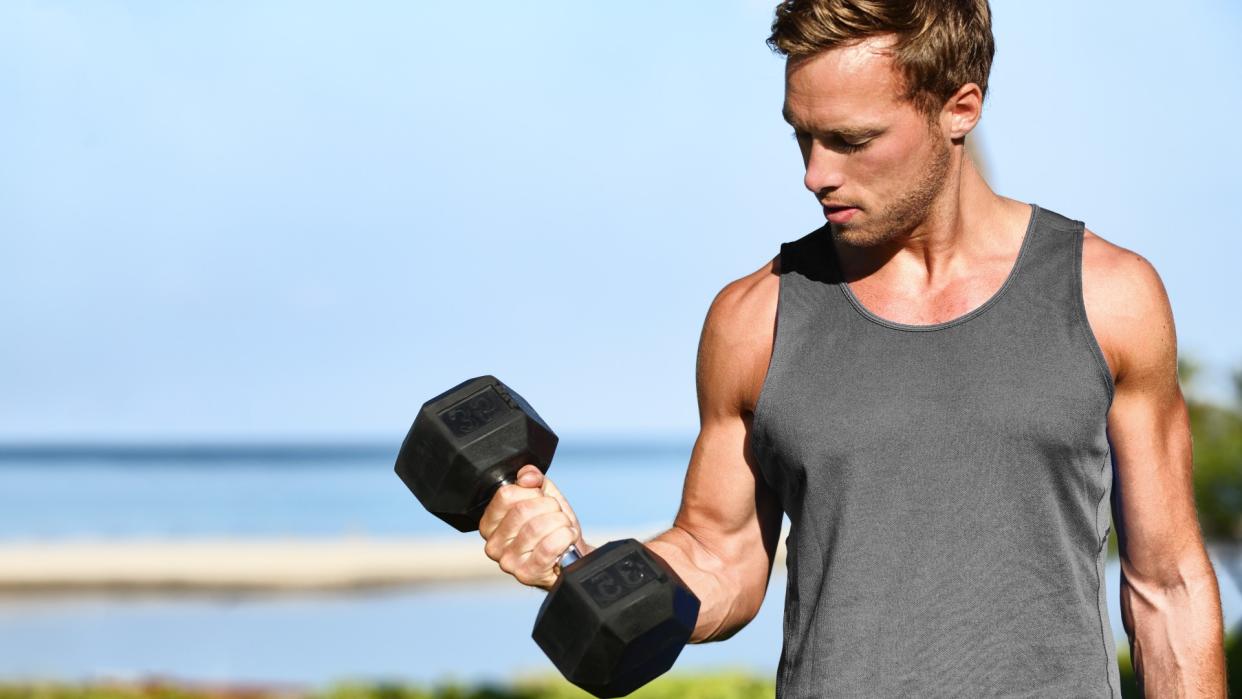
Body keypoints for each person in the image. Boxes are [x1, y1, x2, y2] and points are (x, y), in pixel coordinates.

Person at [478, 1, 1228, 696]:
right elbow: (720, 554)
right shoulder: (754, 318)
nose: (815, 174)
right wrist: (588, 569)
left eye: (850, 140)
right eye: (801, 135)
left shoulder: (1108, 296)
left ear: (959, 108)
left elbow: (1167, 586)